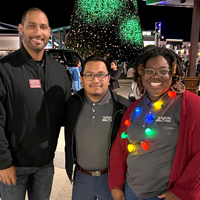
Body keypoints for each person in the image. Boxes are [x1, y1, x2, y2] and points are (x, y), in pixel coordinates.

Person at [109, 47, 200, 200]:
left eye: (163, 71)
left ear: (173, 72)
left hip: (166, 195)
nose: (156, 76)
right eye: (149, 71)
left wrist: (182, 192)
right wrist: (116, 184)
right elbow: (120, 146)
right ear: (141, 74)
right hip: (131, 192)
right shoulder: (134, 108)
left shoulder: (191, 105)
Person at [0, 8, 71, 200]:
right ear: (21, 29)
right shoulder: (5, 69)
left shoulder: (58, 71)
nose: (38, 32)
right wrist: (4, 162)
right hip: (13, 166)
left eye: (43, 27)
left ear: (49, 32)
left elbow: (67, 114)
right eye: (32, 26)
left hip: (45, 166)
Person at [64, 56, 130, 200]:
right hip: (82, 177)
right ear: (81, 78)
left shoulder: (123, 107)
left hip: (112, 179)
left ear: (108, 78)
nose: (95, 80)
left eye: (100, 74)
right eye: (89, 75)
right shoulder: (72, 105)